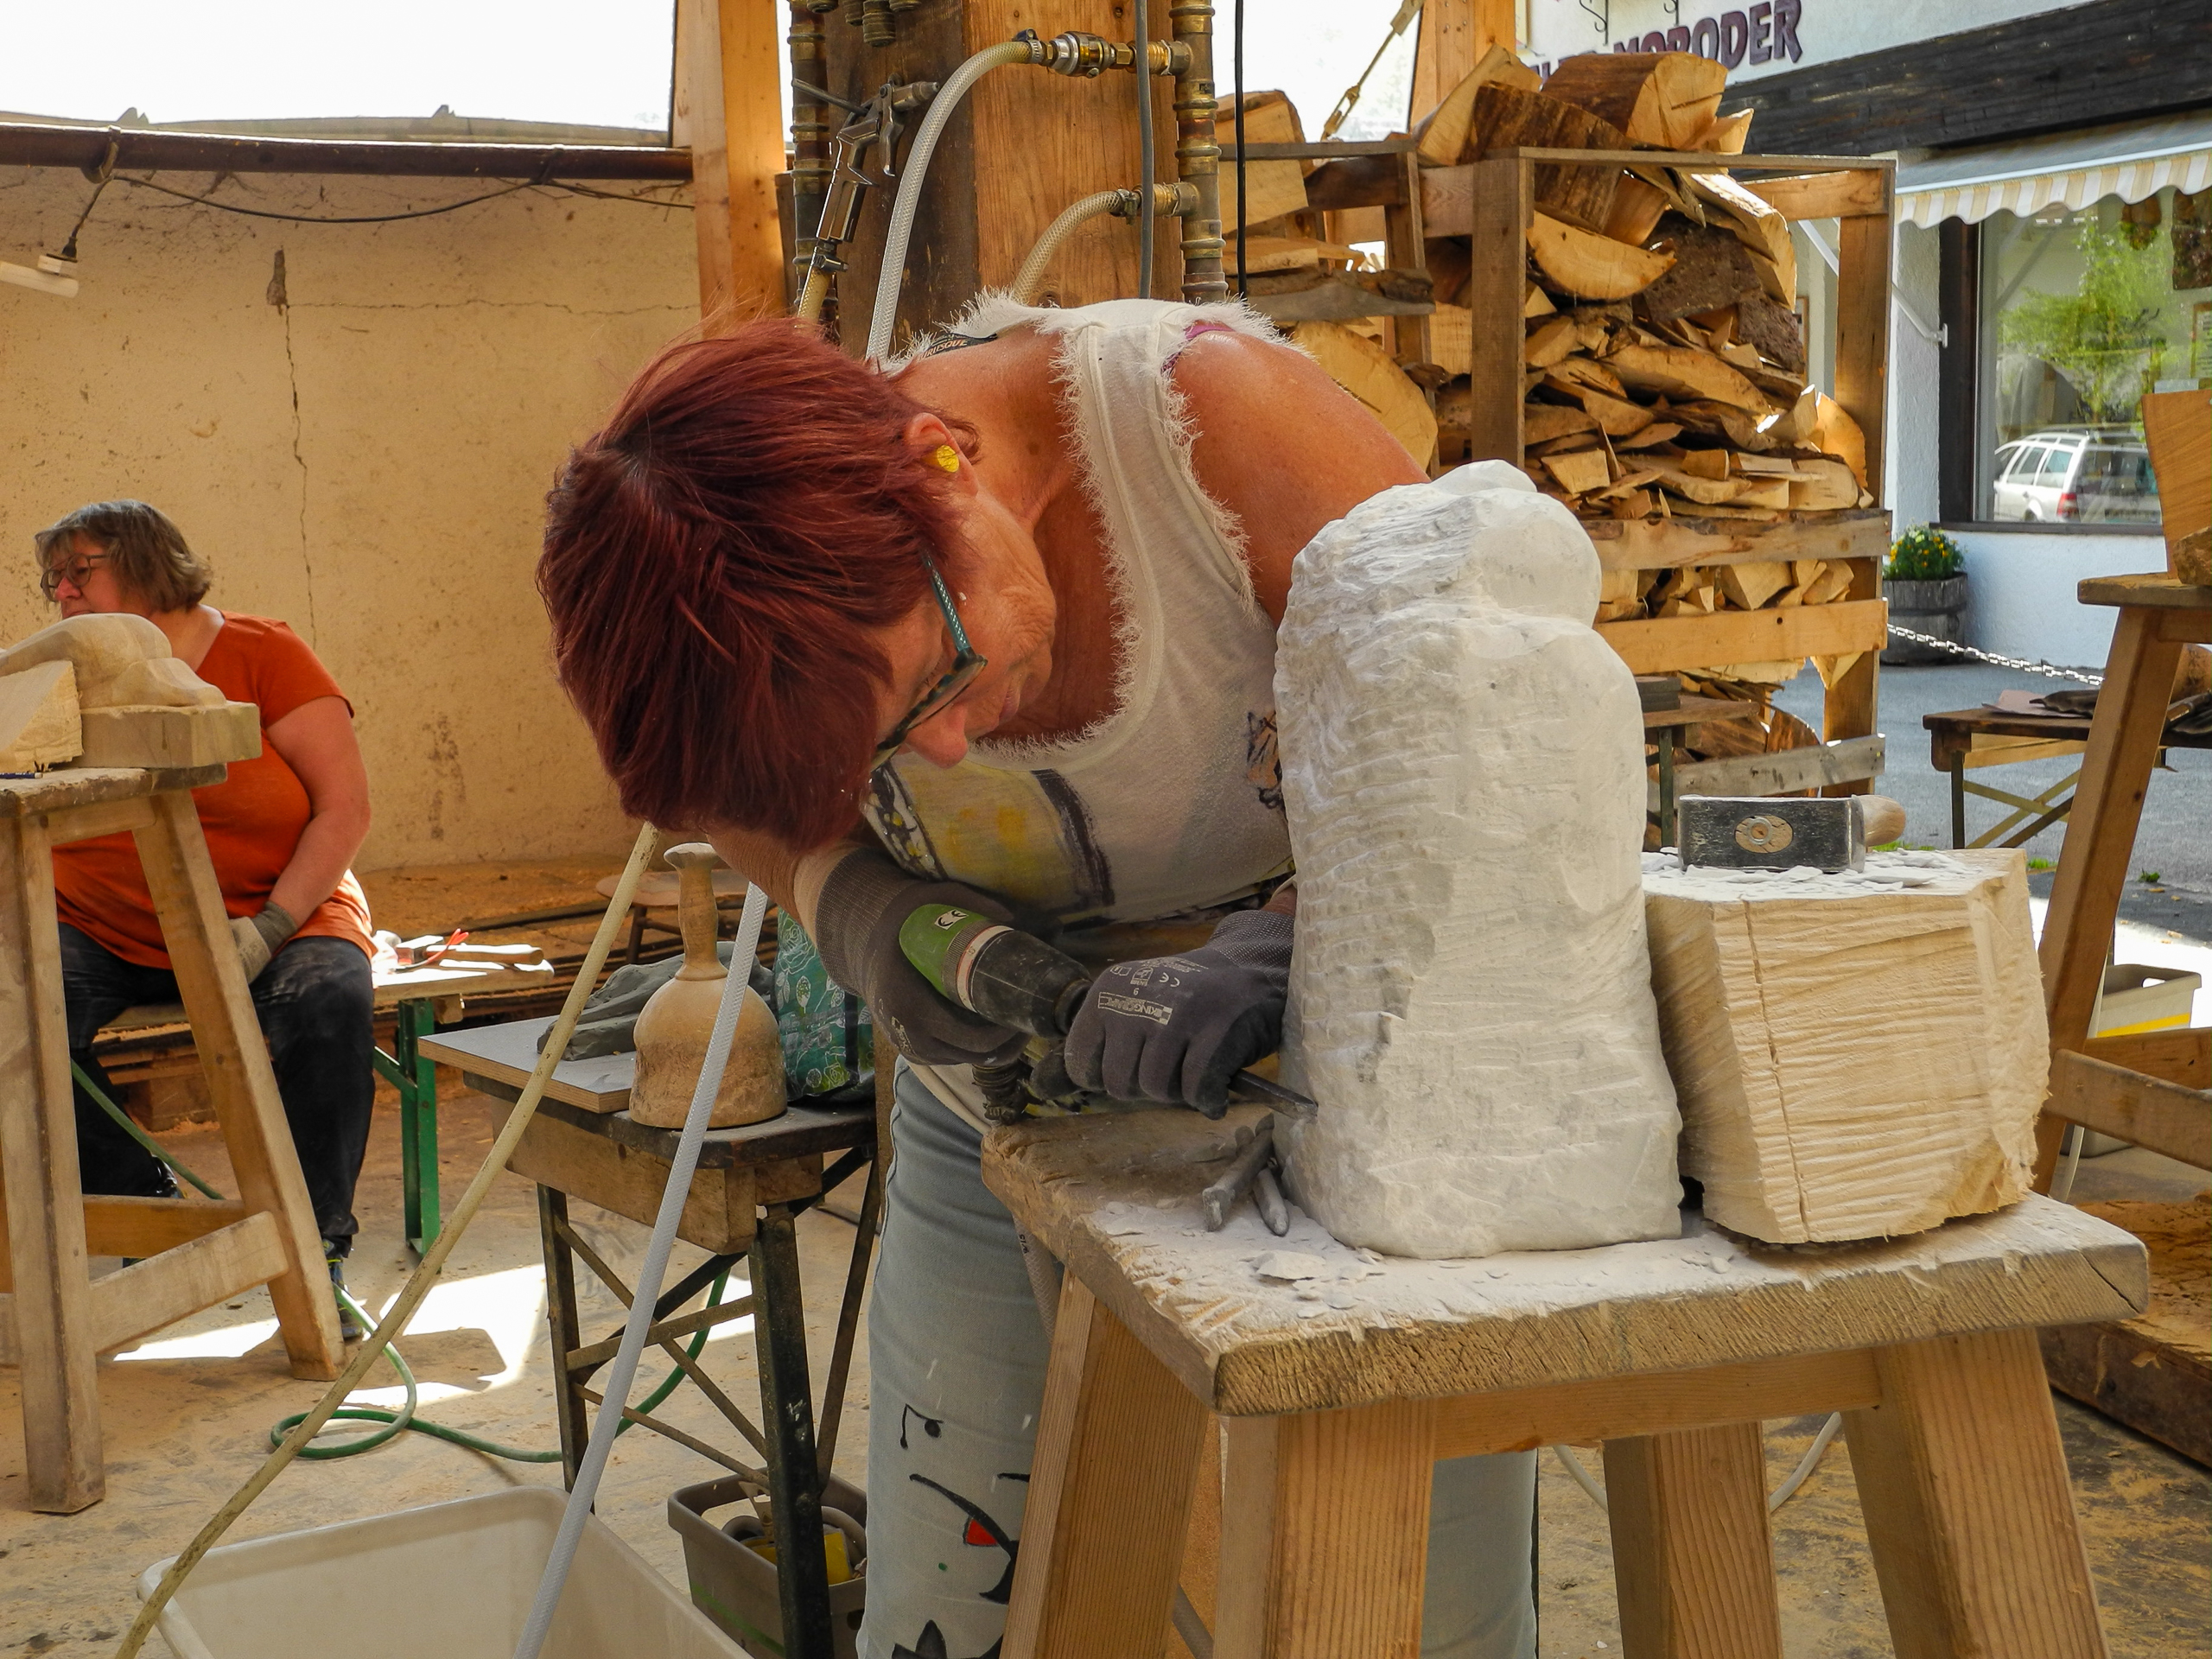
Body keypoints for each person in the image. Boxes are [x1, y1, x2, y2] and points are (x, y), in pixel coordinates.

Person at [538, 297, 1536, 1659]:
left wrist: (1283, 949)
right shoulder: (781, 603)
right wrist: (860, 904)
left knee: (1402, 1615)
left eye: (937, 676)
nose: (948, 749)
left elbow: (1502, 746)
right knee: (957, 1617)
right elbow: (740, 803)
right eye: (889, 741)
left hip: (1362, 1129)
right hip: (1003, 1129)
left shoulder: (1216, 431)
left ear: (943, 465)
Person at [37, 500, 378, 1334]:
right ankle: (143, 1204)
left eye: (79, 571)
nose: (62, 593)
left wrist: (272, 926)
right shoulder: (63, 675)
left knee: (327, 1002)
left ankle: (316, 1250)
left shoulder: (265, 653)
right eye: (52, 579)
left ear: (147, 565)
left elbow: (344, 808)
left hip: (270, 914)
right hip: (106, 924)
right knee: (13, 1010)